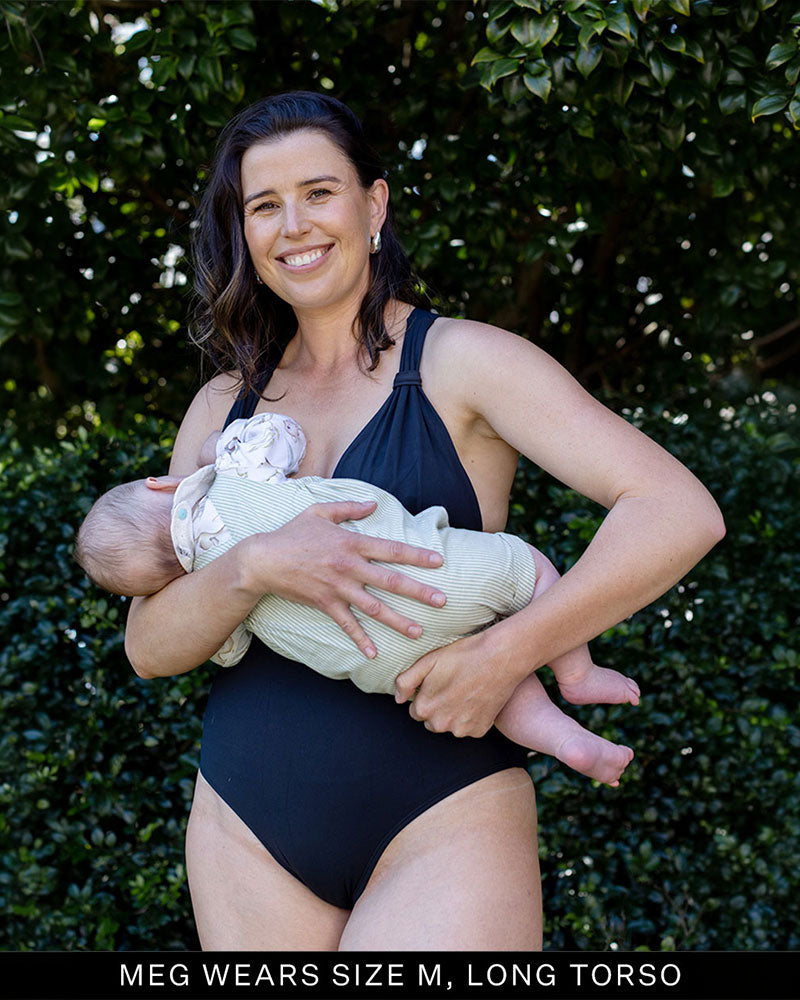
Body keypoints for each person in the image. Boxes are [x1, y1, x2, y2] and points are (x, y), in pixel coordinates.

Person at [122, 92, 725, 950]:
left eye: (319, 192)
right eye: (264, 205)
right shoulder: (221, 407)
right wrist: (252, 567)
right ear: (245, 234)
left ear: (374, 205)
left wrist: (507, 653)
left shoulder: (464, 361)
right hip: (245, 825)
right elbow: (148, 646)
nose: (294, 223)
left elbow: (677, 511)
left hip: (444, 813)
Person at [75, 411, 639, 786]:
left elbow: (221, 646)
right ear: (161, 485)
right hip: (435, 578)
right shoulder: (227, 474)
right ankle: (578, 673)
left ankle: (568, 742)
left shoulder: (207, 589)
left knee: (498, 688)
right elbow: (280, 436)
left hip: (388, 664)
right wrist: (212, 451)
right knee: (528, 568)